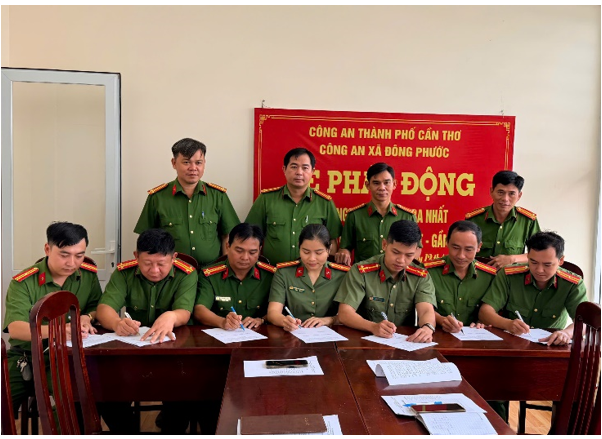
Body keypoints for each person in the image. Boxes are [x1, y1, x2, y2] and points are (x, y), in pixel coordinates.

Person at [95, 228, 197, 434]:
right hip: (135, 349)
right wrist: (117, 323)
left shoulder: (186, 273)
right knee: (107, 391)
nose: (154, 270)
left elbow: (184, 312)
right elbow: (104, 308)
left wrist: (171, 316)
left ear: (174, 258)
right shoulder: (124, 273)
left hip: (174, 351)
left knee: (183, 393)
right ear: (136, 256)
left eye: (161, 264)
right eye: (147, 263)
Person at [3, 222, 101, 412]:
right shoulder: (24, 282)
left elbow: (97, 305)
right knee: (3, 407)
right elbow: (16, 328)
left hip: (68, 357)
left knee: (74, 405)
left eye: (79, 256)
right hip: (27, 356)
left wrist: (87, 317)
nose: (72, 263)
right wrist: (58, 331)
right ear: (47, 249)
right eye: (64, 255)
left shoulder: (87, 276)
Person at [134, 137, 240, 266]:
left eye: (198, 162)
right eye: (186, 162)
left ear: (204, 163)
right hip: (173, 272)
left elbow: (227, 237)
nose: (193, 168)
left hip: (210, 271)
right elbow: (146, 240)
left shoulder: (218, 196)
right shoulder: (157, 198)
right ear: (174, 163)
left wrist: (224, 269)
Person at [335, 220, 437, 342]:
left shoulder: (420, 276)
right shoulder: (361, 272)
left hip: (405, 343)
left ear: (416, 252)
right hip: (364, 342)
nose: (401, 260)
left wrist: (427, 328)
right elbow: (345, 313)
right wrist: (373, 327)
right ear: (384, 245)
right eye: (395, 252)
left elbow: (426, 310)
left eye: (409, 255)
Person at [479, 231, 587, 346]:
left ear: (560, 260)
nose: (539, 270)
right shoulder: (509, 275)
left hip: (551, 345)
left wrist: (566, 333)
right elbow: (485, 312)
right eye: (533, 262)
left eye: (547, 265)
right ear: (527, 257)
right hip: (511, 343)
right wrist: (508, 324)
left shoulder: (572, 283)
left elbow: (584, 322)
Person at [245, 147, 342, 265]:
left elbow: (332, 241)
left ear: (312, 171)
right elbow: (251, 236)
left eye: (305, 168)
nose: (299, 172)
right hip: (273, 271)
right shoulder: (266, 199)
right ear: (284, 169)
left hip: (311, 272)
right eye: (294, 167)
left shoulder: (324, 203)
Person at [267, 224, 350, 331]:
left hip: (331, 335)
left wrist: (330, 320)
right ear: (299, 247)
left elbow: (350, 314)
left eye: (318, 253)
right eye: (306, 252)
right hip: (293, 334)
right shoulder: (284, 273)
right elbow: (273, 312)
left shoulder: (342, 275)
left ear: (329, 249)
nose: (312, 258)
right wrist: (284, 321)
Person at [335, 162, 420, 266]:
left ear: (394, 184)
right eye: (376, 183)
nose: (382, 188)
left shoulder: (407, 216)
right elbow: (345, 248)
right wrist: (344, 253)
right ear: (368, 185)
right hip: (364, 274)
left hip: (396, 273)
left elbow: (417, 249)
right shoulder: (355, 216)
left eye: (386, 182)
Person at [194, 223, 276, 329]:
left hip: (259, 334)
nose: (245, 257)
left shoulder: (271, 276)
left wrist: (262, 320)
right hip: (221, 334)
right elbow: (199, 310)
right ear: (228, 246)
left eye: (252, 252)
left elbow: (280, 309)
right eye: (239, 251)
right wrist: (222, 322)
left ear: (260, 250)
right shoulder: (210, 275)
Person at [424, 221, 497, 333]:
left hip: (474, 337)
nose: (461, 256)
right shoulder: (429, 272)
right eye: (455, 247)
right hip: (438, 335)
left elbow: (491, 311)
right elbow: (423, 307)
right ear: (447, 242)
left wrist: (482, 322)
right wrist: (442, 320)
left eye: (468, 249)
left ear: (479, 247)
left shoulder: (489, 276)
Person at [465, 170, 540, 269]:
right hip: (478, 274)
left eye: (511, 194)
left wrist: (512, 259)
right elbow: (463, 251)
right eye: (500, 192)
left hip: (511, 276)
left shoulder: (528, 221)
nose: (505, 199)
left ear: (519, 196)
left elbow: (540, 254)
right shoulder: (474, 219)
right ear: (491, 192)